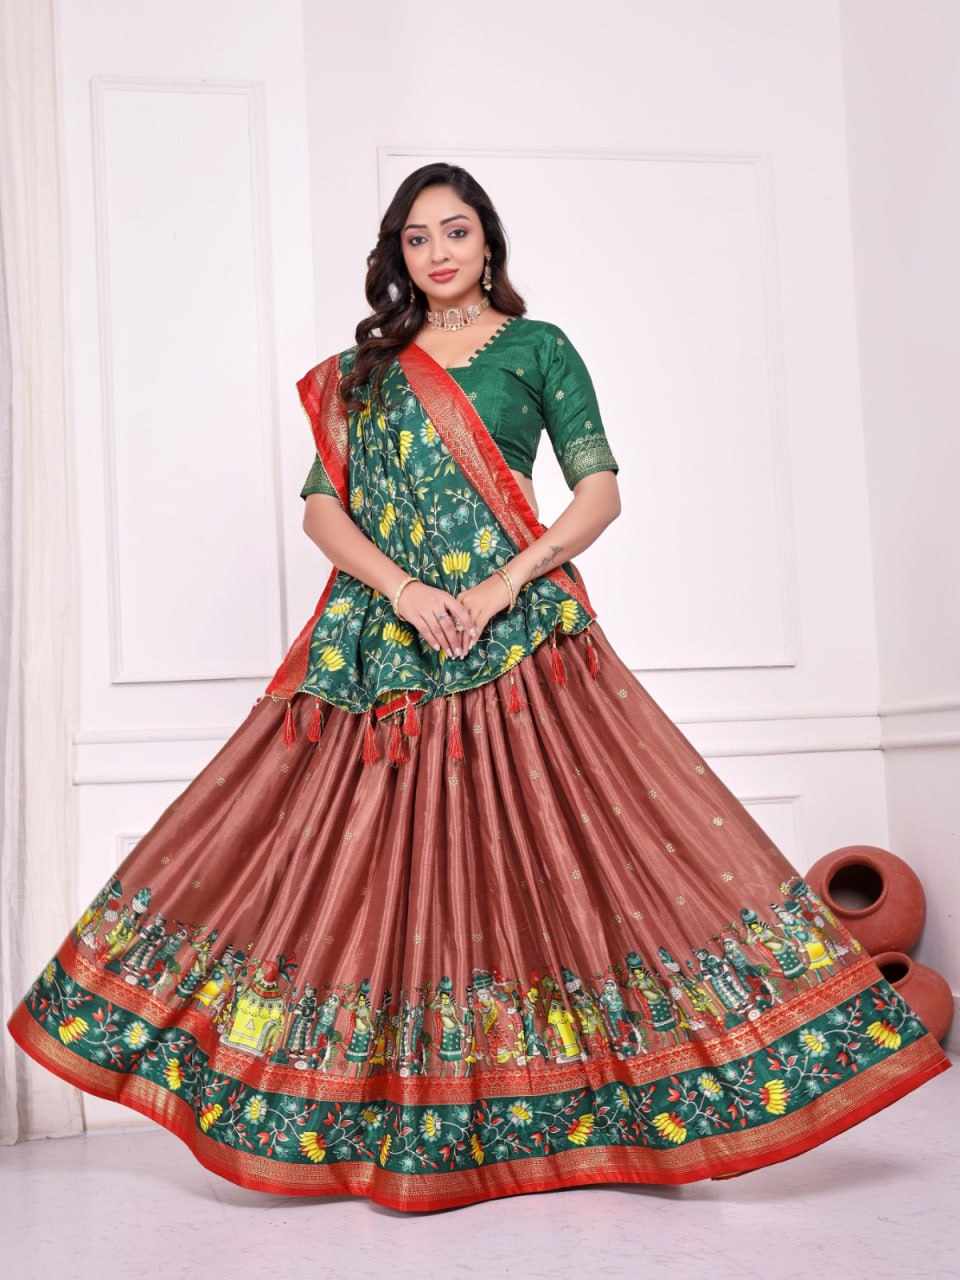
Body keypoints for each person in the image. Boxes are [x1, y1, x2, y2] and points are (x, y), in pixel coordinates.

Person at [6, 162, 950, 1213]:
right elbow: (323, 509)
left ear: (487, 240)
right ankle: (374, 1104)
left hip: (520, 635)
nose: (438, 252)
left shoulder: (538, 349)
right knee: (346, 863)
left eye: (455, 230)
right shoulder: (365, 373)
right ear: (398, 255)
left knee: (581, 850)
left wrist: (502, 584)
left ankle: (585, 1103)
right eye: (416, 238)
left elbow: (599, 492)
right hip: (386, 646)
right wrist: (406, 589)